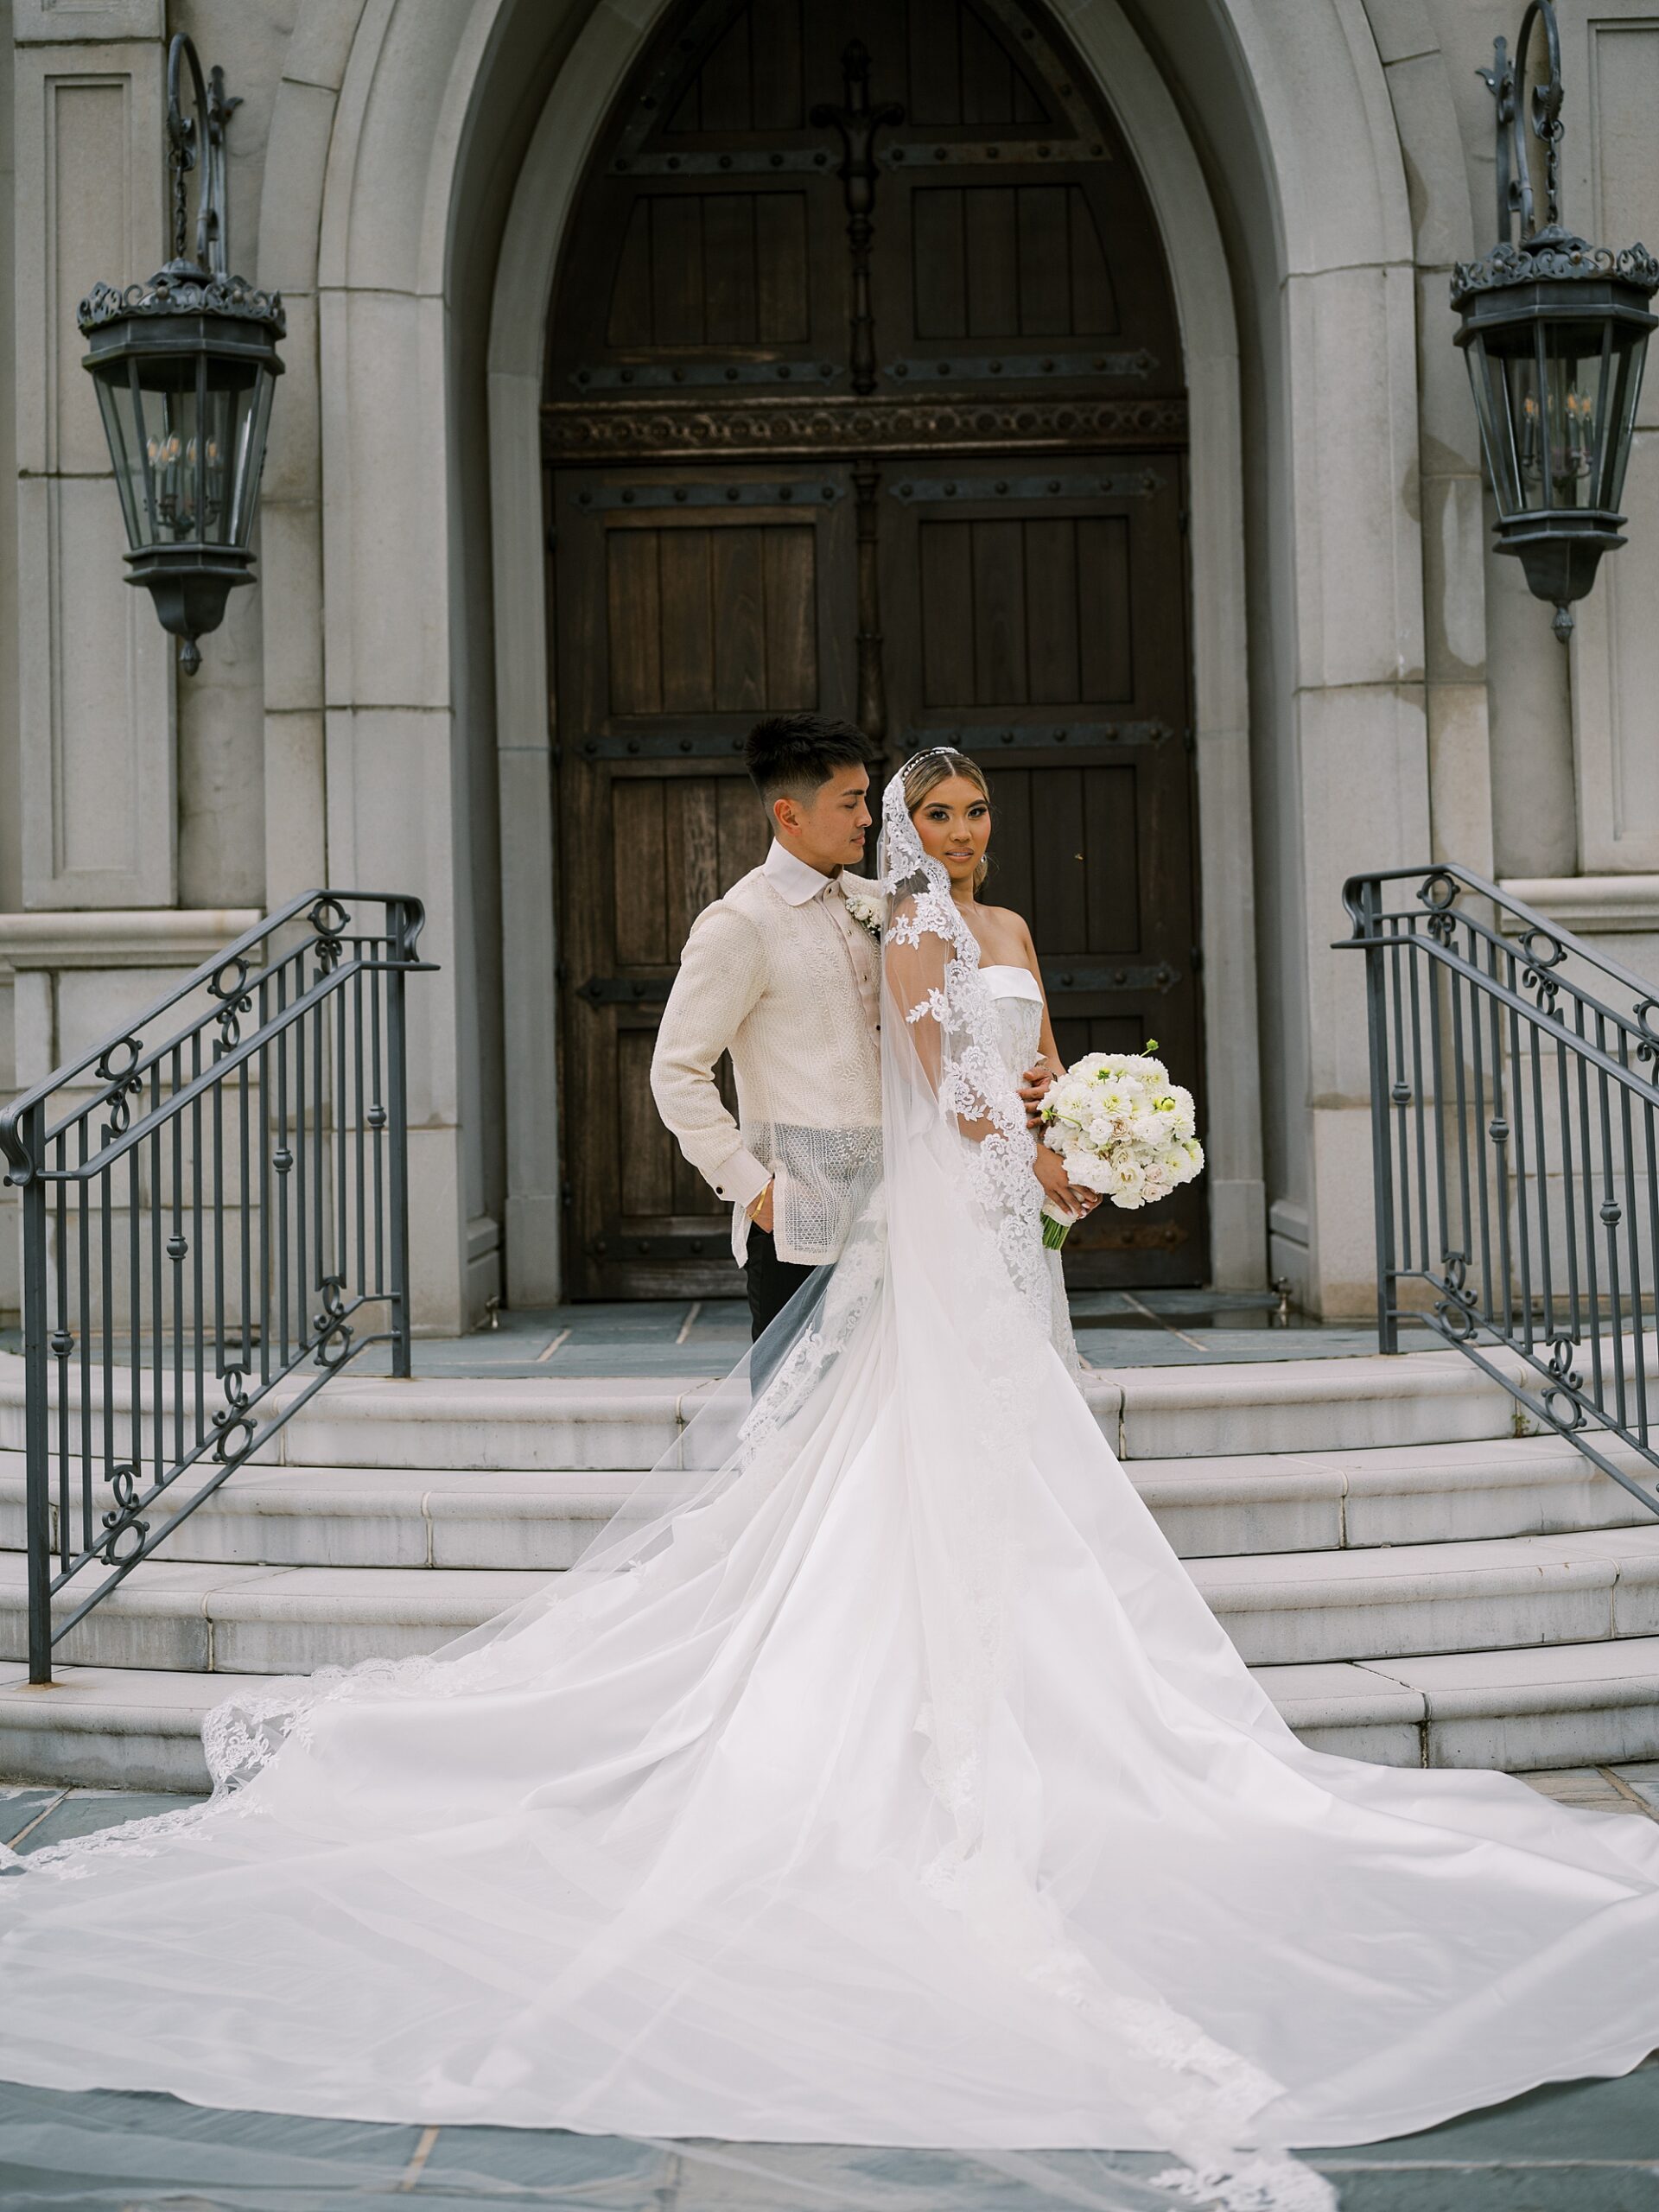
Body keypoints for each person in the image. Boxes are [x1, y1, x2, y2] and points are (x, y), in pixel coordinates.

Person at [1, 759, 1658, 2212]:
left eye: (955, 808)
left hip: (992, 1227)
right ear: (832, 815)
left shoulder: (961, 926)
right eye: (909, 809)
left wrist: (1088, 1131)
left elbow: (1023, 1068)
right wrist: (843, 1172)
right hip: (876, 1219)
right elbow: (893, 1087)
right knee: (860, 1460)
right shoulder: (845, 927)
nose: (935, 830)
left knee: (980, 1449)